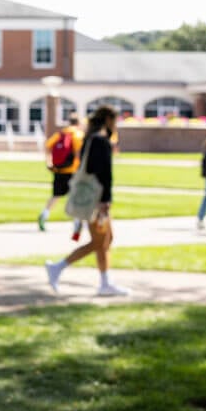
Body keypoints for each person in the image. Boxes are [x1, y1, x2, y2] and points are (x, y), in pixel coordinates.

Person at [44, 105, 129, 297]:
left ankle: (105, 282)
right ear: (108, 119)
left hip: (93, 196)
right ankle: (58, 267)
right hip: (97, 199)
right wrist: (105, 201)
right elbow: (104, 174)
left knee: (106, 239)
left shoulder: (89, 139)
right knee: (100, 241)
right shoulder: (101, 141)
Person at [37, 113, 84, 234]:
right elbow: (79, 152)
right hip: (73, 170)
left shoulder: (61, 134)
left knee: (56, 195)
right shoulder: (77, 134)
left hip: (58, 170)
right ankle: (77, 223)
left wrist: (48, 162)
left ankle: (44, 214)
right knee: (75, 197)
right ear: (78, 123)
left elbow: (47, 146)